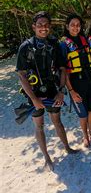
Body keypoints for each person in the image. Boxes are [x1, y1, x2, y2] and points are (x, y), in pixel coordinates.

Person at [16, 11, 78, 171]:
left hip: (53, 90)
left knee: (57, 121)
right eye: (40, 25)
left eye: (46, 25)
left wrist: (61, 90)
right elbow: (22, 76)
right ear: (33, 27)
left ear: (49, 27)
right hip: (34, 92)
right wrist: (34, 99)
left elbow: (63, 69)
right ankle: (47, 157)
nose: (43, 28)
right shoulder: (26, 47)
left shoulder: (55, 44)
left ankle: (67, 147)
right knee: (39, 125)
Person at [61, 14, 91, 147]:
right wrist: (71, 91)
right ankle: (85, 137)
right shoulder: (63, 44)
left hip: (88, 78)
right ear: (67, 26)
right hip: (76, 82)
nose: (75, 27)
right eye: (72, 25)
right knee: (83, 114)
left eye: (78, 25)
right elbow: (64, 71)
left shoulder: (84, 39)